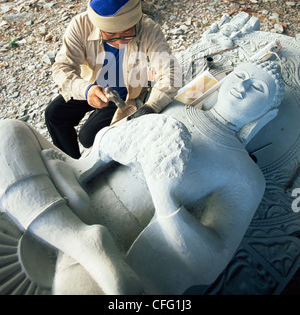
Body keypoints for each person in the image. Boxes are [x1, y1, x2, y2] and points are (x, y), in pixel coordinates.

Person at [0, 58, 286, 295]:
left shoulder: (246, 176)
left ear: (268, 115)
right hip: (86, 182)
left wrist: (166, 199)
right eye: (241, 75)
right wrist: (116, 143)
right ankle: (81, 241)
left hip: (129, 244)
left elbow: (214, 257)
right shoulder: (175, 106)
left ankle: (73, 231)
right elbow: (105, 143)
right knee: (9, 133)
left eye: (257, 87)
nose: (243, 86)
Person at [45, 0, 181, 158]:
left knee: (87, 137)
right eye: (110, 36)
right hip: (94, 84)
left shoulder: (148, 29)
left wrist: (150, 107)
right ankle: (72, 164)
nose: (118, 42)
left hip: (125, 91)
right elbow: (62, 67)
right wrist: (87, 90)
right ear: (98, 25)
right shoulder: (81, 25)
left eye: (126, 35)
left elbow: (172, 73)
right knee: (54, 114)